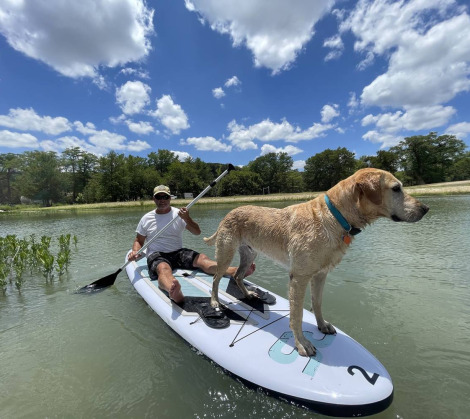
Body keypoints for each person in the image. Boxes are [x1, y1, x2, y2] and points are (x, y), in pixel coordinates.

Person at [128, 185, 255, 303]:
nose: (162, 200)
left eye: (165, 196)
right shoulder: (146, 218)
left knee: (203, 259)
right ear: (154, 199)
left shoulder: (179, 214)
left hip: (178, 252)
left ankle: (235, 271)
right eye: (159, 197)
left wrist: (187, 218)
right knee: (163, 269)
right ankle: (173, 290)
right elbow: (139, 240)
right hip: (157, 254)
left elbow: (197, 232)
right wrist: (135, 252)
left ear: (170, 198)